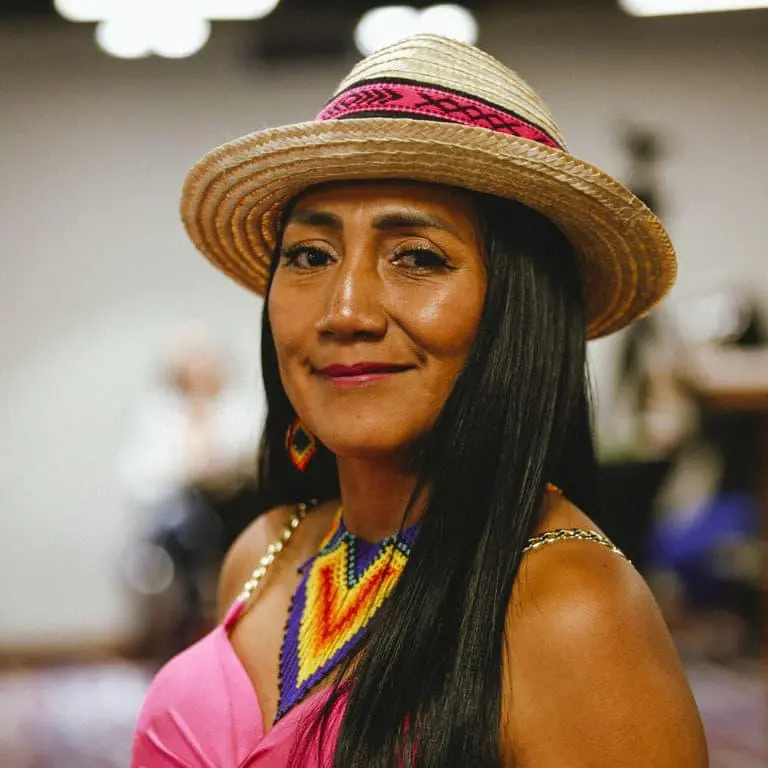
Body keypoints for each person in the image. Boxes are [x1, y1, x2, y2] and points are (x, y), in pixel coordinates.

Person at [132, 34, 708, 767]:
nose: (345, 309)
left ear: (515, 310)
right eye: (310, 255)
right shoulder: (265, 548)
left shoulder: (570, 606)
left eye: (417, 257)